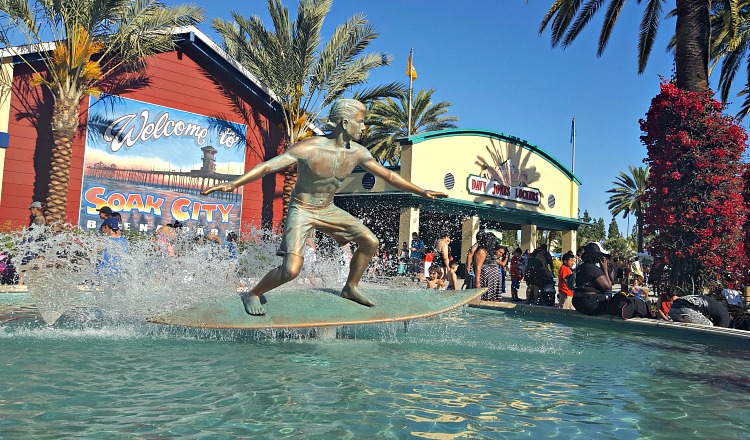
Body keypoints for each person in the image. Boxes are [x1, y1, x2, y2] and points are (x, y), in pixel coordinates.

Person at [202, 98, 447, 315]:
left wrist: (421, 191)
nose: (364, 128)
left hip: (328, 209)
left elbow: (390, 176)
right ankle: (253, 293)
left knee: (370, 242)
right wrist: (234, 183)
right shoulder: (309, 148)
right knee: (291, 271)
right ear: (344, 122)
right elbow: (268, 166)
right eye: (360, 122)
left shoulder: (359, 153)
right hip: (302, 209)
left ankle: (350, 287)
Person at [572, 242, 612, 315]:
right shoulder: (593, 268)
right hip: (591, 303)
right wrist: (605, 269)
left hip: (577, 302)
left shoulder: (580, 267)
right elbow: (607, 287)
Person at [473, 231, 502, 301]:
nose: (494, 244)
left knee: (494, 299)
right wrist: (477, 282)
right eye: (493, 242)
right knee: (486, 298)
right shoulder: (481, 251)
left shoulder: (490, 251)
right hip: (487, 279)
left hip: (494, 279)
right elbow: (478, 267)